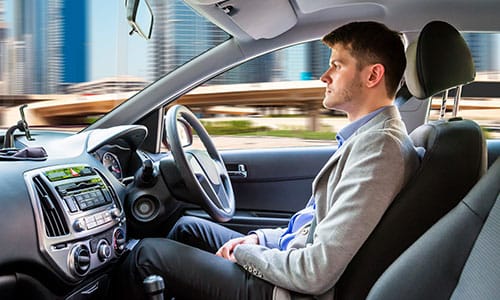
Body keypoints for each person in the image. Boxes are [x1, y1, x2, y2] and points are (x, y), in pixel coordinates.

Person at [114, 21, 420, 300]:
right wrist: (259, 238)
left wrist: (247, 254)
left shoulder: (380, 149)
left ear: (373, 75)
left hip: (286, 292)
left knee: (146, 255)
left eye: (337, 66)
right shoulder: (367, 138)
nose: (324, 76)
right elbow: (312, 226)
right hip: (289, 261)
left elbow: (315, 273)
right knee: (186, 228)